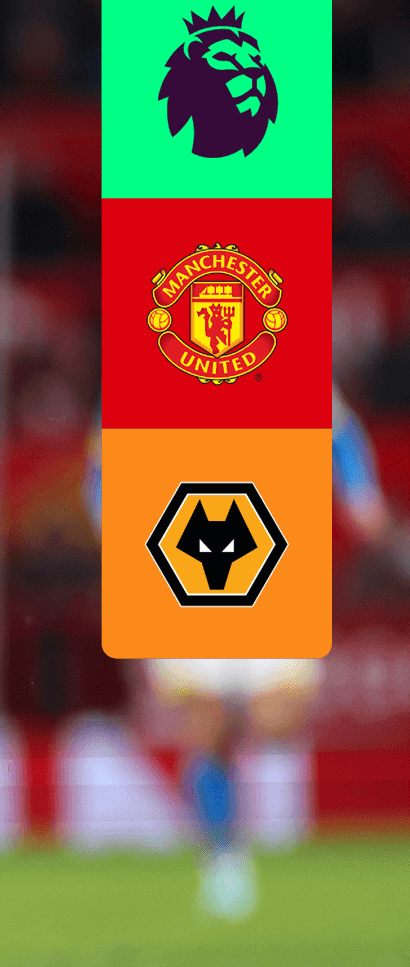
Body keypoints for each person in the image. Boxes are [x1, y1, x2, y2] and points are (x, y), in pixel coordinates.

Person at [85, 386, 404, 920]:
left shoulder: (277, 366)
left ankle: (231, 783)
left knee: (278, 719)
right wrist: (113, 526)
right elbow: (105, 459)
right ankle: (223, 858)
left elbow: (339, 430)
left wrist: (360, 496)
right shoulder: (151, 374)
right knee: (205, 724)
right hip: (179, 558)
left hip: (274, 561)